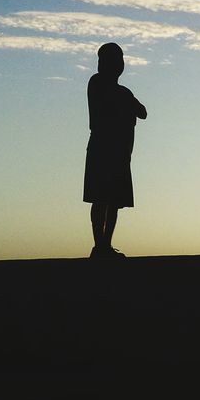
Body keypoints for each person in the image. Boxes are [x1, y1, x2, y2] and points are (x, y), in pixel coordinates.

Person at [83, 42, 146, 258]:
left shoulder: (123, 92)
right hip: (102, 150)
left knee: (114, 201)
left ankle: (105, 245)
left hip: (120, 154)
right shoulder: (98, 83)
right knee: (100, 198)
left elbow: (143, 112)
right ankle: (99, 245)